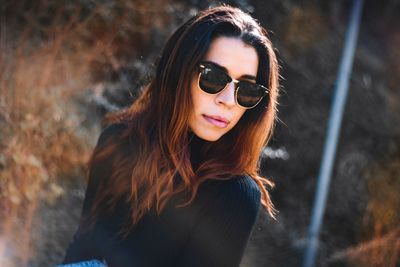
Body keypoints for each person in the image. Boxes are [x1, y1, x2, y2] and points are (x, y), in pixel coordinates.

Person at [60, 4, 280, 267]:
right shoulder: (118, 141)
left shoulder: (233, 194)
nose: (227, 101)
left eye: (246, 90)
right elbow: (82, 248)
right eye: (212, 77)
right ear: (179, 73)